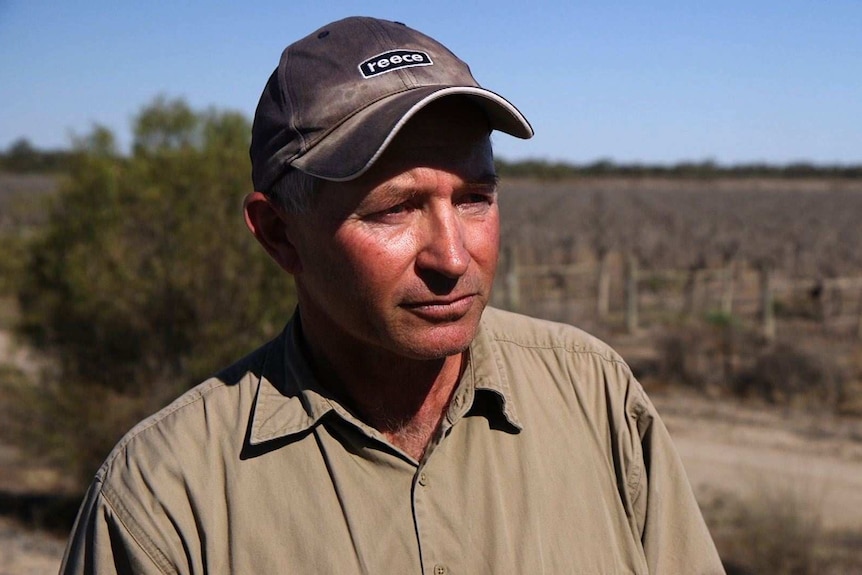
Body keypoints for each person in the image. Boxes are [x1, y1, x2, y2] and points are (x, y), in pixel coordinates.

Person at [61, 16, 725, 574]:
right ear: (278, 234)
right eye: (395, 208)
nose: (454, 257)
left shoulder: (593, 394)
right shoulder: (164, 497)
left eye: (475, 199)